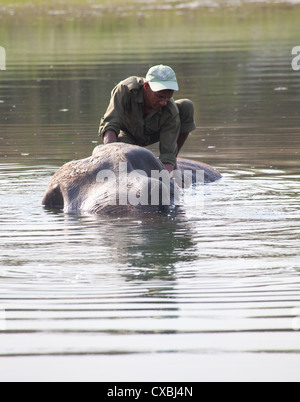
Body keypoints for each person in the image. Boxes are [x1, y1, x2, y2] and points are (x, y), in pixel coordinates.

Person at [98, 64, 196, 173]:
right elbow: (110, 124)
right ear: (146, 86)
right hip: (127, 135)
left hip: (154, 132)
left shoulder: (170, 110)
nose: (163, 102)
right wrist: (112, 156)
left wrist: (167, 172)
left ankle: (174, 160)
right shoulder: (126, 90)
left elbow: (167, 151)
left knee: (186, 105)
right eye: (159, 96)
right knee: (122, 154)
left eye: (168, 97)